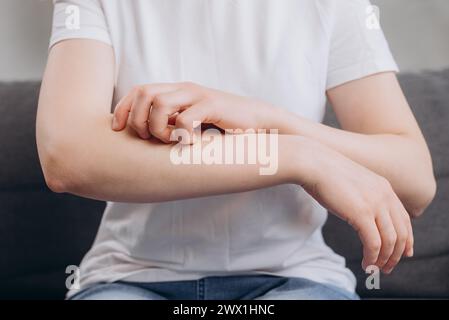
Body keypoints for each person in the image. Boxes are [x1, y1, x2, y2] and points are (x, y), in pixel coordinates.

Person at [36, 0, 436, 300]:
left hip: (296, 277)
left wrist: (269, 120)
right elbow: (66, 158)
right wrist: (294, 157)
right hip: (128, 276)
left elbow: (415, 180)